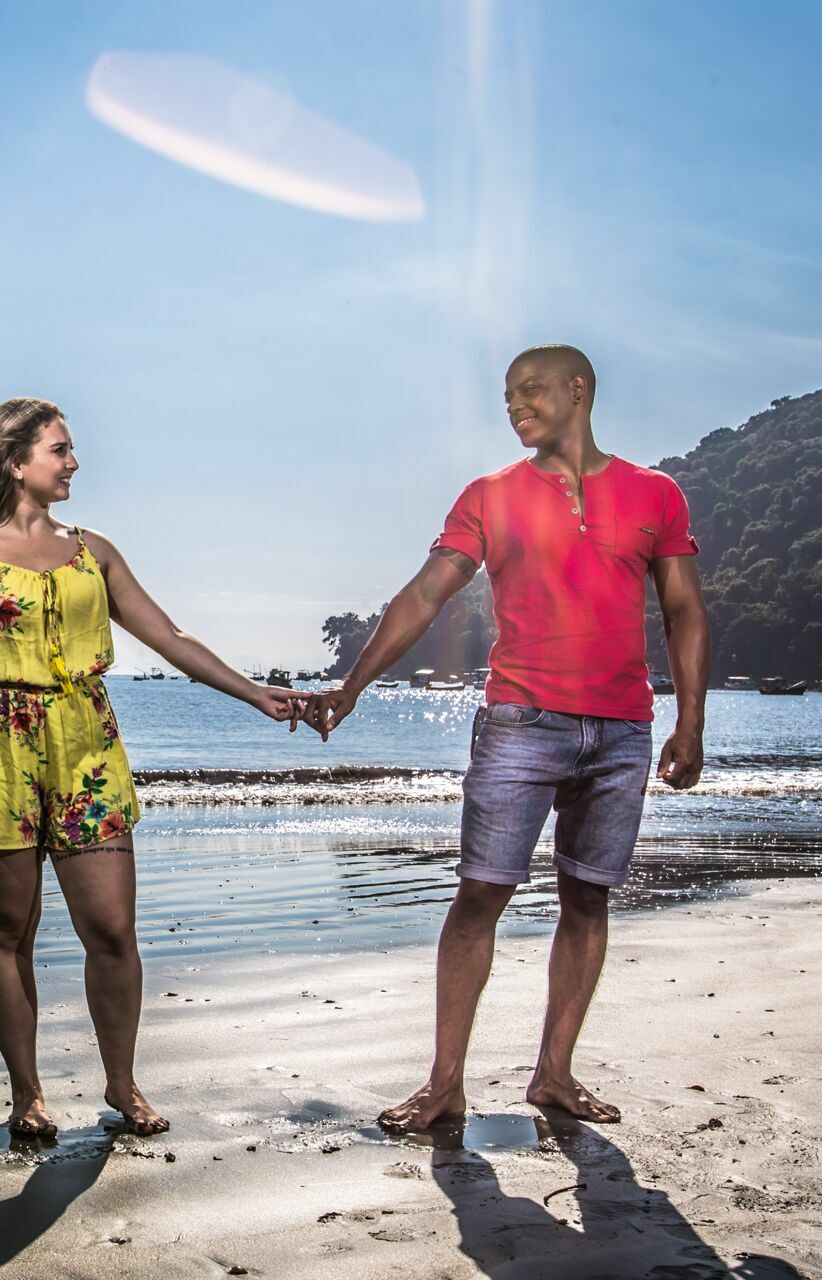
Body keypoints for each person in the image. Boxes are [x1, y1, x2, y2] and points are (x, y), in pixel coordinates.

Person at [304, 344, 710, 1130]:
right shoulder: (489, 496)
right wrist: (352, 686)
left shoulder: (655, 493)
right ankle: (444, 1083)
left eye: (531, 391)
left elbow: (685, 610)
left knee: (588, 898)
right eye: (507, 396)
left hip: (624, 728)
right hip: (521, 720)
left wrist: (690, 720)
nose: (516, 405)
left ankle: (554, 1075)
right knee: (482, 893)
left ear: (579, 390)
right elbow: (426, 594)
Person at [0, 397, 306, 1140]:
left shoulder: (93, 551)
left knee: (113, 929)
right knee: (9, 928)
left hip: (86, 744)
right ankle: (28, 1094)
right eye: (59, 450)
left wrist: (256, 694)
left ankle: (123, 1085)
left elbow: (169, 636)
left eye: (70, 450)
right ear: (15, 461)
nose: (72, 462)